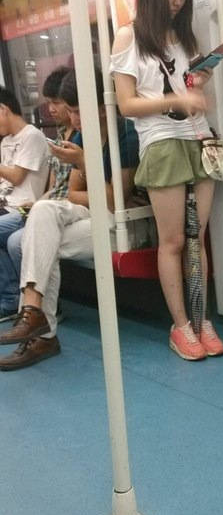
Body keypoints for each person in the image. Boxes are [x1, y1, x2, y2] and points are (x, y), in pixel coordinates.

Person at [110, 0, 223, 361]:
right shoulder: (128, 36)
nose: (177, 3)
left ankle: (202, 320)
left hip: (199, 139)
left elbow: (185, 87)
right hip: (161, 142)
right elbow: (127, 104)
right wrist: (176, 99)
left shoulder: (182, 36)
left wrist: (198, 82)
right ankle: (181, 326)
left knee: (198, 238)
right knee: (174, 240)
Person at [0, 67, 139, 371]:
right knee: (43, 212)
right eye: (71, 111)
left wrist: (84, 162)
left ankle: (43, 336)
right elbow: (74, 193)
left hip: (123, 222)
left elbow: (115, 201)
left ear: (101, 107)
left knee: (39, 240)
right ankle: (33, 311)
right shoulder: (81, 135)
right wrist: (89, 178)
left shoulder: (126, 134)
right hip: (91, 213)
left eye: (78, 111)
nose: (74, 119)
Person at [0, 66, 81, 315]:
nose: (51, 109)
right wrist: (38, 204)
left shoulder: (72, 138)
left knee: (16, 241)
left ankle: (28, 304)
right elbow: (55, 186)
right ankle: (27, 305)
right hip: (47, 204)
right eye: (49, 103)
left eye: (57, 103)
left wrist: (39, 203)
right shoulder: (58, 136)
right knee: (15, 239)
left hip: (66, 206)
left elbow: (70, 190)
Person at [0, 86, 49, 317]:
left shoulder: (32, 136)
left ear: (3, 109)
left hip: (24, 209)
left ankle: (11, 298)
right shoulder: (5, 142)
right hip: (5, 205)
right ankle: (10, 295)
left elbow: (17, 176)